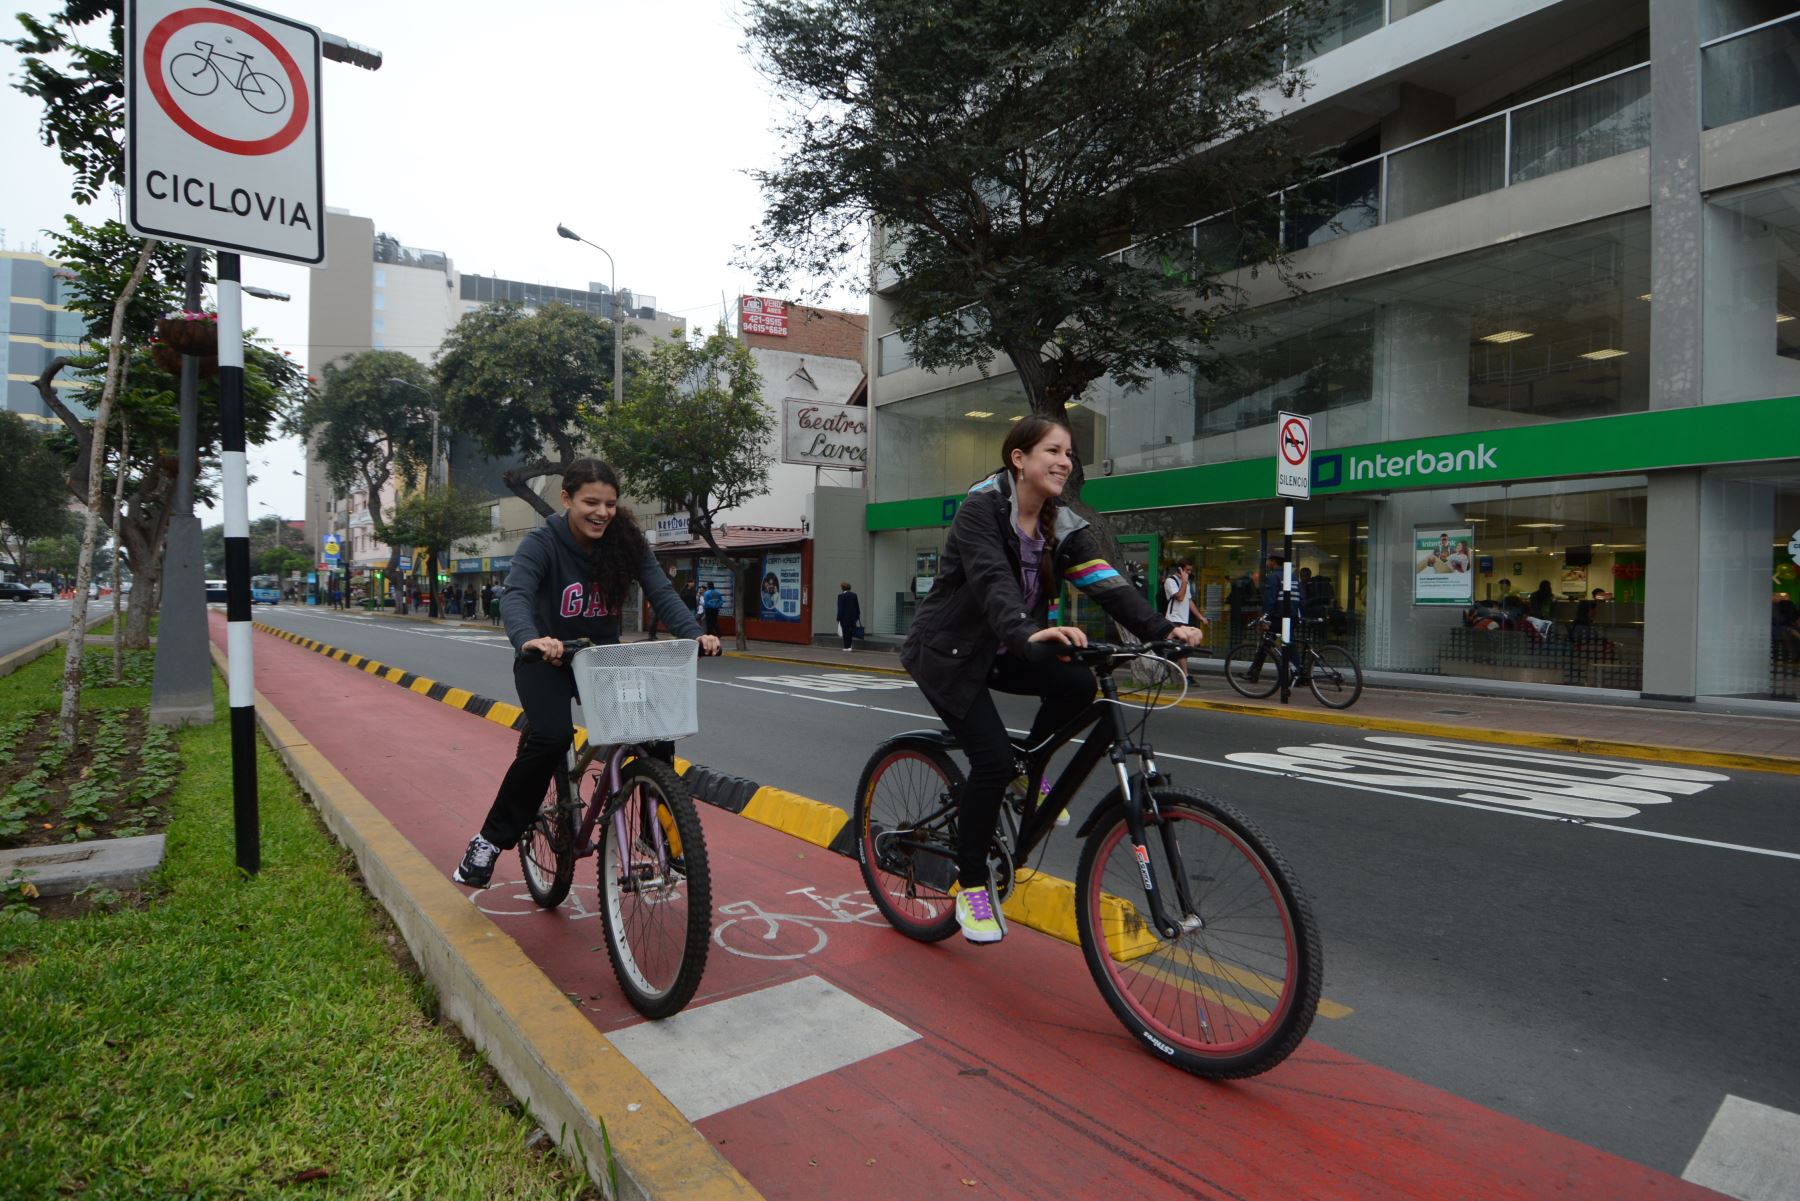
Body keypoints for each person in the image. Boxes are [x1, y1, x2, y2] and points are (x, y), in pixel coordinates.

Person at [901, 415, 1203, 944]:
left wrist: (1163, 628)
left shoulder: (1059, 527)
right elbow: (993, 581)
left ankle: (1026, 769)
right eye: (1053, 450)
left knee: (1078, 685)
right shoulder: (982, 511)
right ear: (1018, 458)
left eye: (1070, 453)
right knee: (991, 760)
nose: (1065, 461)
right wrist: (1026, 629)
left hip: (1008, 645)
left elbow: (1108, 585)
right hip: (948, 654)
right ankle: (971, 883)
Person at [452, 459, 721, 888]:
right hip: (547, 659)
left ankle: (658, 835)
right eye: (590, 502)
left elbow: (661, 591)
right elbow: (517, 594)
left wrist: (695, 634)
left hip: (601, 659)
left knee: (655, 730)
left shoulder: (625, 540)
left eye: (610, 504)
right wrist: (529, 639)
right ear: (567, 499)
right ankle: (488, 840)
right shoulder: (543, 543)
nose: (601, 512)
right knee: (552, 737)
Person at [1237, 553, 1301, 684]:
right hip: (1292, 616)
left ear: (1273, 562)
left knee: (1265, 643)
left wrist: (1264, 617)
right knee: (1288, 644)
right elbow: (1301, 598)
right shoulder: (1293, 576)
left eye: (1268, 561)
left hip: (1278, 617)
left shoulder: (1273, 577)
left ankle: (1253, 673)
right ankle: (1299, 673)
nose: (1267, 564)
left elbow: (1270, 600)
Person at [1162, 561, 1209, 682]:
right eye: (1187, 570)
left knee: (1184, 647)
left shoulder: (1186, 583)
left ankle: (1180, 673)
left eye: (1190, 570)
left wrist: (1200, 617)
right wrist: (1184, 581)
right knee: (1181, 647)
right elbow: (1180, 597)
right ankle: (1185, 676)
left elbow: (1189, 601)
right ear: (1180, 569)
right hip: (1173, 619)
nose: (1189, 572)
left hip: (1183, 619)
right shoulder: (1170, 581)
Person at [836, 580, 861, 651]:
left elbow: (840, 608)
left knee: (845, 632)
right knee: (850, 632)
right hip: (852, 617)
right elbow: (857, 606)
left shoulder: (841, 596)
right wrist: (857, 616)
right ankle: (849, 646)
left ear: (842, 588)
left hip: (844, 617)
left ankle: (846, 646)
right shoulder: (854, 595)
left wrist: (838, 617)